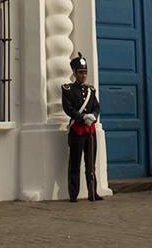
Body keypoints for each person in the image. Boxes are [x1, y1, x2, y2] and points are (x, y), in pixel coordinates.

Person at [62, 52, 102, 202]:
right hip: (77, 131)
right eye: (80, 72)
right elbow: (68, 108)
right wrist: (82, 117)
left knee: (91, 164)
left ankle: (93, 192)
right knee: (75, 163)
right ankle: (73, 194)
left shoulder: (91, 90)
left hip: (90, 131)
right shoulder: (68, 90)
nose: (83, 75)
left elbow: (96, 106)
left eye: (85, 72)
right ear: (74, 73)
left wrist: (94, 116)